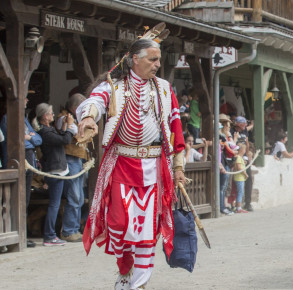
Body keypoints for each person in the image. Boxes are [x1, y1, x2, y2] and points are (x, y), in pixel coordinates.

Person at [77, 35, 186, 289]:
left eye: (159, 59)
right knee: (119, 223)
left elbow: (175, 128)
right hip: (122, 165)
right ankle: (125, 269)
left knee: (147, 229)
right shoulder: (114, 86)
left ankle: (139, 284)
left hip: (154, 168)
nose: (158, 64)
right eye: (153, 59)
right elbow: (94, 101)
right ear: (135, 59)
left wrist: (178, 167)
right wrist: (89, 118)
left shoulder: (164, 89)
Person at [0, 96, 42, 248]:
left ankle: (24, 235)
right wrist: (29, 138)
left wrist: (29, 138)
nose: (27, 100)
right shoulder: (8, 118)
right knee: (15, 201)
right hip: (16, 164)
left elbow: (38, 140)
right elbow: (13, 140)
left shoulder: (23, 119)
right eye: (24, 98)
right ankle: (15, 235)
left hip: (28, 164)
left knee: (25, 200)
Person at [36, 103, 76, 246]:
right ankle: (49, 236)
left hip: (58, 169)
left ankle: (51, 235)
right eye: (51, 113)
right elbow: (65, 140)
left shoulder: (49, 130)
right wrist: (70, 126)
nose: (53, 115)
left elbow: (60, 139)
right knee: (54, 204)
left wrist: (64, 126)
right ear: (45, 116)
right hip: (55, 170)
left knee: (55, 203)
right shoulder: (45, 132)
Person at [57, 94, 88, 243]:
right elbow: (77, 133)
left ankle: (75, 229)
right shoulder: (63, 118)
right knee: (74, 196)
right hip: (70, 159)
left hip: (78, 160)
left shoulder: (74, 118)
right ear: (75, 107)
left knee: (79, 197)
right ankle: (68, 231)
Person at [232, 141, 249, 213]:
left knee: (240, 192)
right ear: (241, 150)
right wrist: (245, 174)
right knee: (240, 192)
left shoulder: (240, 158)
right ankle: (238, 208)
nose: (245, 151)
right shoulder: (239, 157)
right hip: (239, 178)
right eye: (244, 149)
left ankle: (238, 207)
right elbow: (239, 168)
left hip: (240, 178)